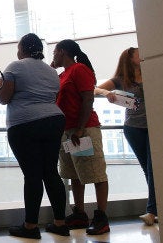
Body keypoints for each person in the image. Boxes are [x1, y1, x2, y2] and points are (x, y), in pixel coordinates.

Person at [0, 33, 68, 239]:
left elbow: (3, 97)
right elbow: (52, 96)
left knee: (33, 175)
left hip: (25, 125)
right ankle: (60, 223)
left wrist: (1, 83)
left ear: (23, 49)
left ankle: (30, 226)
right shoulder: (51, 71)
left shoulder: (15, 67)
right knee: (51, 172)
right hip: (54, 121)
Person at [51, 39, 110, 235]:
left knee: (95, 172)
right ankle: (80, 213)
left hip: (82, 130)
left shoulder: (79, 69)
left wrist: (80, 128)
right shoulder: (62, 74)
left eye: (54, 52)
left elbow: (88, 98)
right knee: (75, 173)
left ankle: (101, 217)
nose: (53, 56)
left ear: (62, 52)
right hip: (67, 131)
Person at [94, 47, 157, 226]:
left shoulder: (151, 71)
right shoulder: (121, 80)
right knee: (148, 169)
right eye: (138, 53)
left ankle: (152, 211)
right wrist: (108, 94)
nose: (142, 53)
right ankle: (157, 208)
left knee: (153, 170)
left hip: (153, 127)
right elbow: (94, 89)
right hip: (134, 128)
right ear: (130, 59)